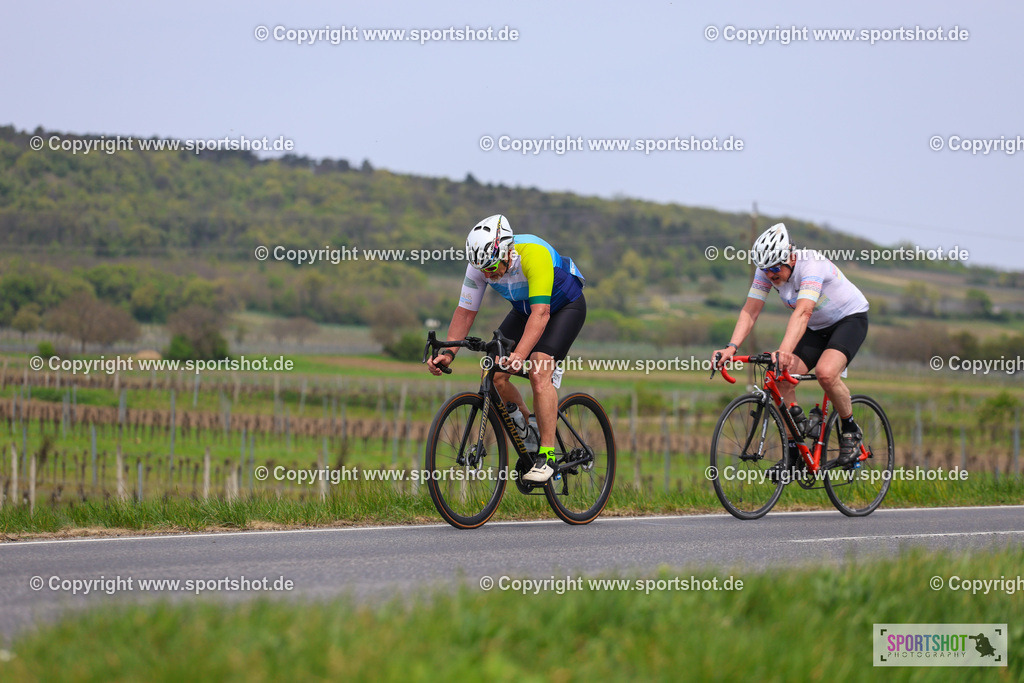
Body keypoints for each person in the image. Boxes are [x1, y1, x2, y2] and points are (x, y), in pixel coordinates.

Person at [426, 214, 586, 483]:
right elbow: (465, 312)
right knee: (495, 376)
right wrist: (449, 352)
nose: (488, 274)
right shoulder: (479, 266)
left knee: (538, 371)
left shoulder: (533, 253)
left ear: (507, 251)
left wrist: (521, 355)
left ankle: (547, 455)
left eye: (492, 267)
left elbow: (542, 314)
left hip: (563, 308)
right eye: (483, 269)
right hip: (524, 311)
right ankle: (531, 433)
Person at [713, 223, 870, 476]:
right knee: (780, 379)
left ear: (789, 256)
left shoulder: (812, 266)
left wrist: (784, 351)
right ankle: (794, 452)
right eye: (766, 269)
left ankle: (850, 429)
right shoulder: (765, 271)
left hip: (848, 320)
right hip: (816, 328)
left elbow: (804, 310)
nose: (771, 274)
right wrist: (731, 347)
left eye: (776, 268)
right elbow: (750, 310)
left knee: (826, 373)